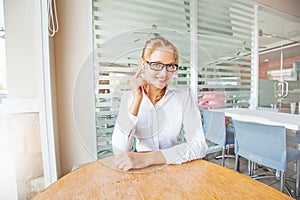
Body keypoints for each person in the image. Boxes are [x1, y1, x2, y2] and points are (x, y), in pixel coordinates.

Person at [112, 36, 208, 171]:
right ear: (143, 64)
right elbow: (119, 150)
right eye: (156, 64)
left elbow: (199, 145)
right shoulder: (129, 98)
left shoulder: (183, 96)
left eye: (170, 66)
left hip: (173, 165)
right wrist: (137, 100)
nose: (164, 73)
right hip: (139, 169)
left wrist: (149, 158)